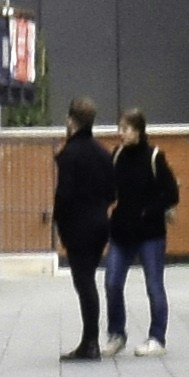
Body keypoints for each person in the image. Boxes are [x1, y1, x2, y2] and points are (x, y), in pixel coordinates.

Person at [48, 101, 118, 359]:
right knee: (88, 280)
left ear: (71, 121)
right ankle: (89, 340)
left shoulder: (70, 154)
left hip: (77, 226)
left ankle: (90, 342)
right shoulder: (103, 153)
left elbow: (64, 195)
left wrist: (59, 223)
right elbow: (113, 192)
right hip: (99, 223)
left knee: (84, 282)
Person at [108, 111, 182, 348]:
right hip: (121, 232)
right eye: (120, 128)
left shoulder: (154, 157)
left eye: (126, 128)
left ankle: (157, 337)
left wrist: (148, 210)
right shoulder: (117, 156)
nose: (121, 133)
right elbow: (110, 189)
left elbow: (171, 193)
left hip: (150, 234)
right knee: (112, 282)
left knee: (153, 285)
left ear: (139, 131)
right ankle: (116, 334)